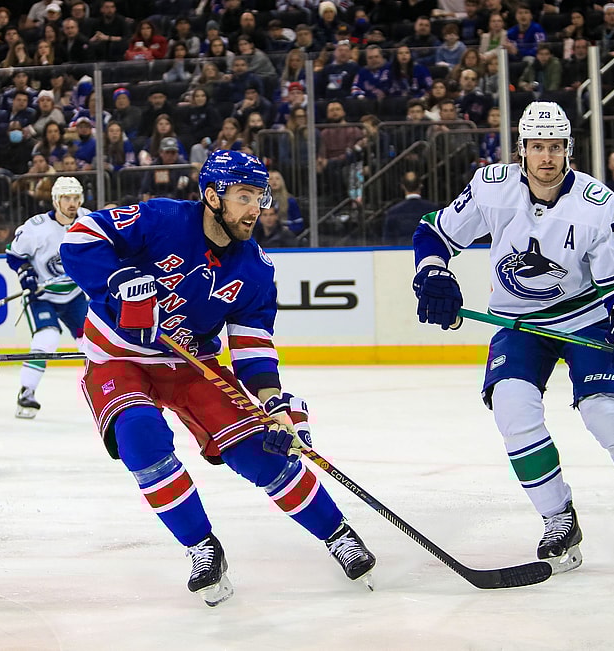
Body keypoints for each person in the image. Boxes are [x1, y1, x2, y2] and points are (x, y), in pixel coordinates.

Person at [58, 150, 376, 607]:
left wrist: (273, 401)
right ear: (212, 196)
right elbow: (82, 236)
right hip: (118, 356)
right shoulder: (163, 218)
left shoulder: (256, 268)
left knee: (260, 452)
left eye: (260, 197)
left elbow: (251, 343)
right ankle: (202, 547)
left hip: (192, 362)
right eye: (244, 196)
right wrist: (118, 280)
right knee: (140, 438)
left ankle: (337, 534)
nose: (255, 208)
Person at [411, 102, 614, 574]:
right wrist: (433, 272)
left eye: (555, 147)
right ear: (522, 149)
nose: (546, 156)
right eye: (537, 146)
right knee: (513, 411)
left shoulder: (597, 204)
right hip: (518, 324)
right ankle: (558, 517)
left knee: (607, 414)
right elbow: (433, 232)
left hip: (584, 318)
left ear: (568, 150)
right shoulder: (491, 187)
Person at [5, 177, 90, 418]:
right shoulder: (37, 227)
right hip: (42, 295)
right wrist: (26, 273)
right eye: (66, 198)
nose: (72, 203)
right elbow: (14, 255)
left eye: (75, 198)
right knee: (47, 338)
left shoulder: (88, 220)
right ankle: (27, 392)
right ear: (55, 200)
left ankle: (102, 388)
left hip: (73, 295)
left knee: (91, 342)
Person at [382, 171, 439, 246]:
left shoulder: (393, 212)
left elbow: (387, 241)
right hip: (427, 250)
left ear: (402, 186)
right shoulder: (433, 210)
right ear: (420, 185)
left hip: (400, 251)